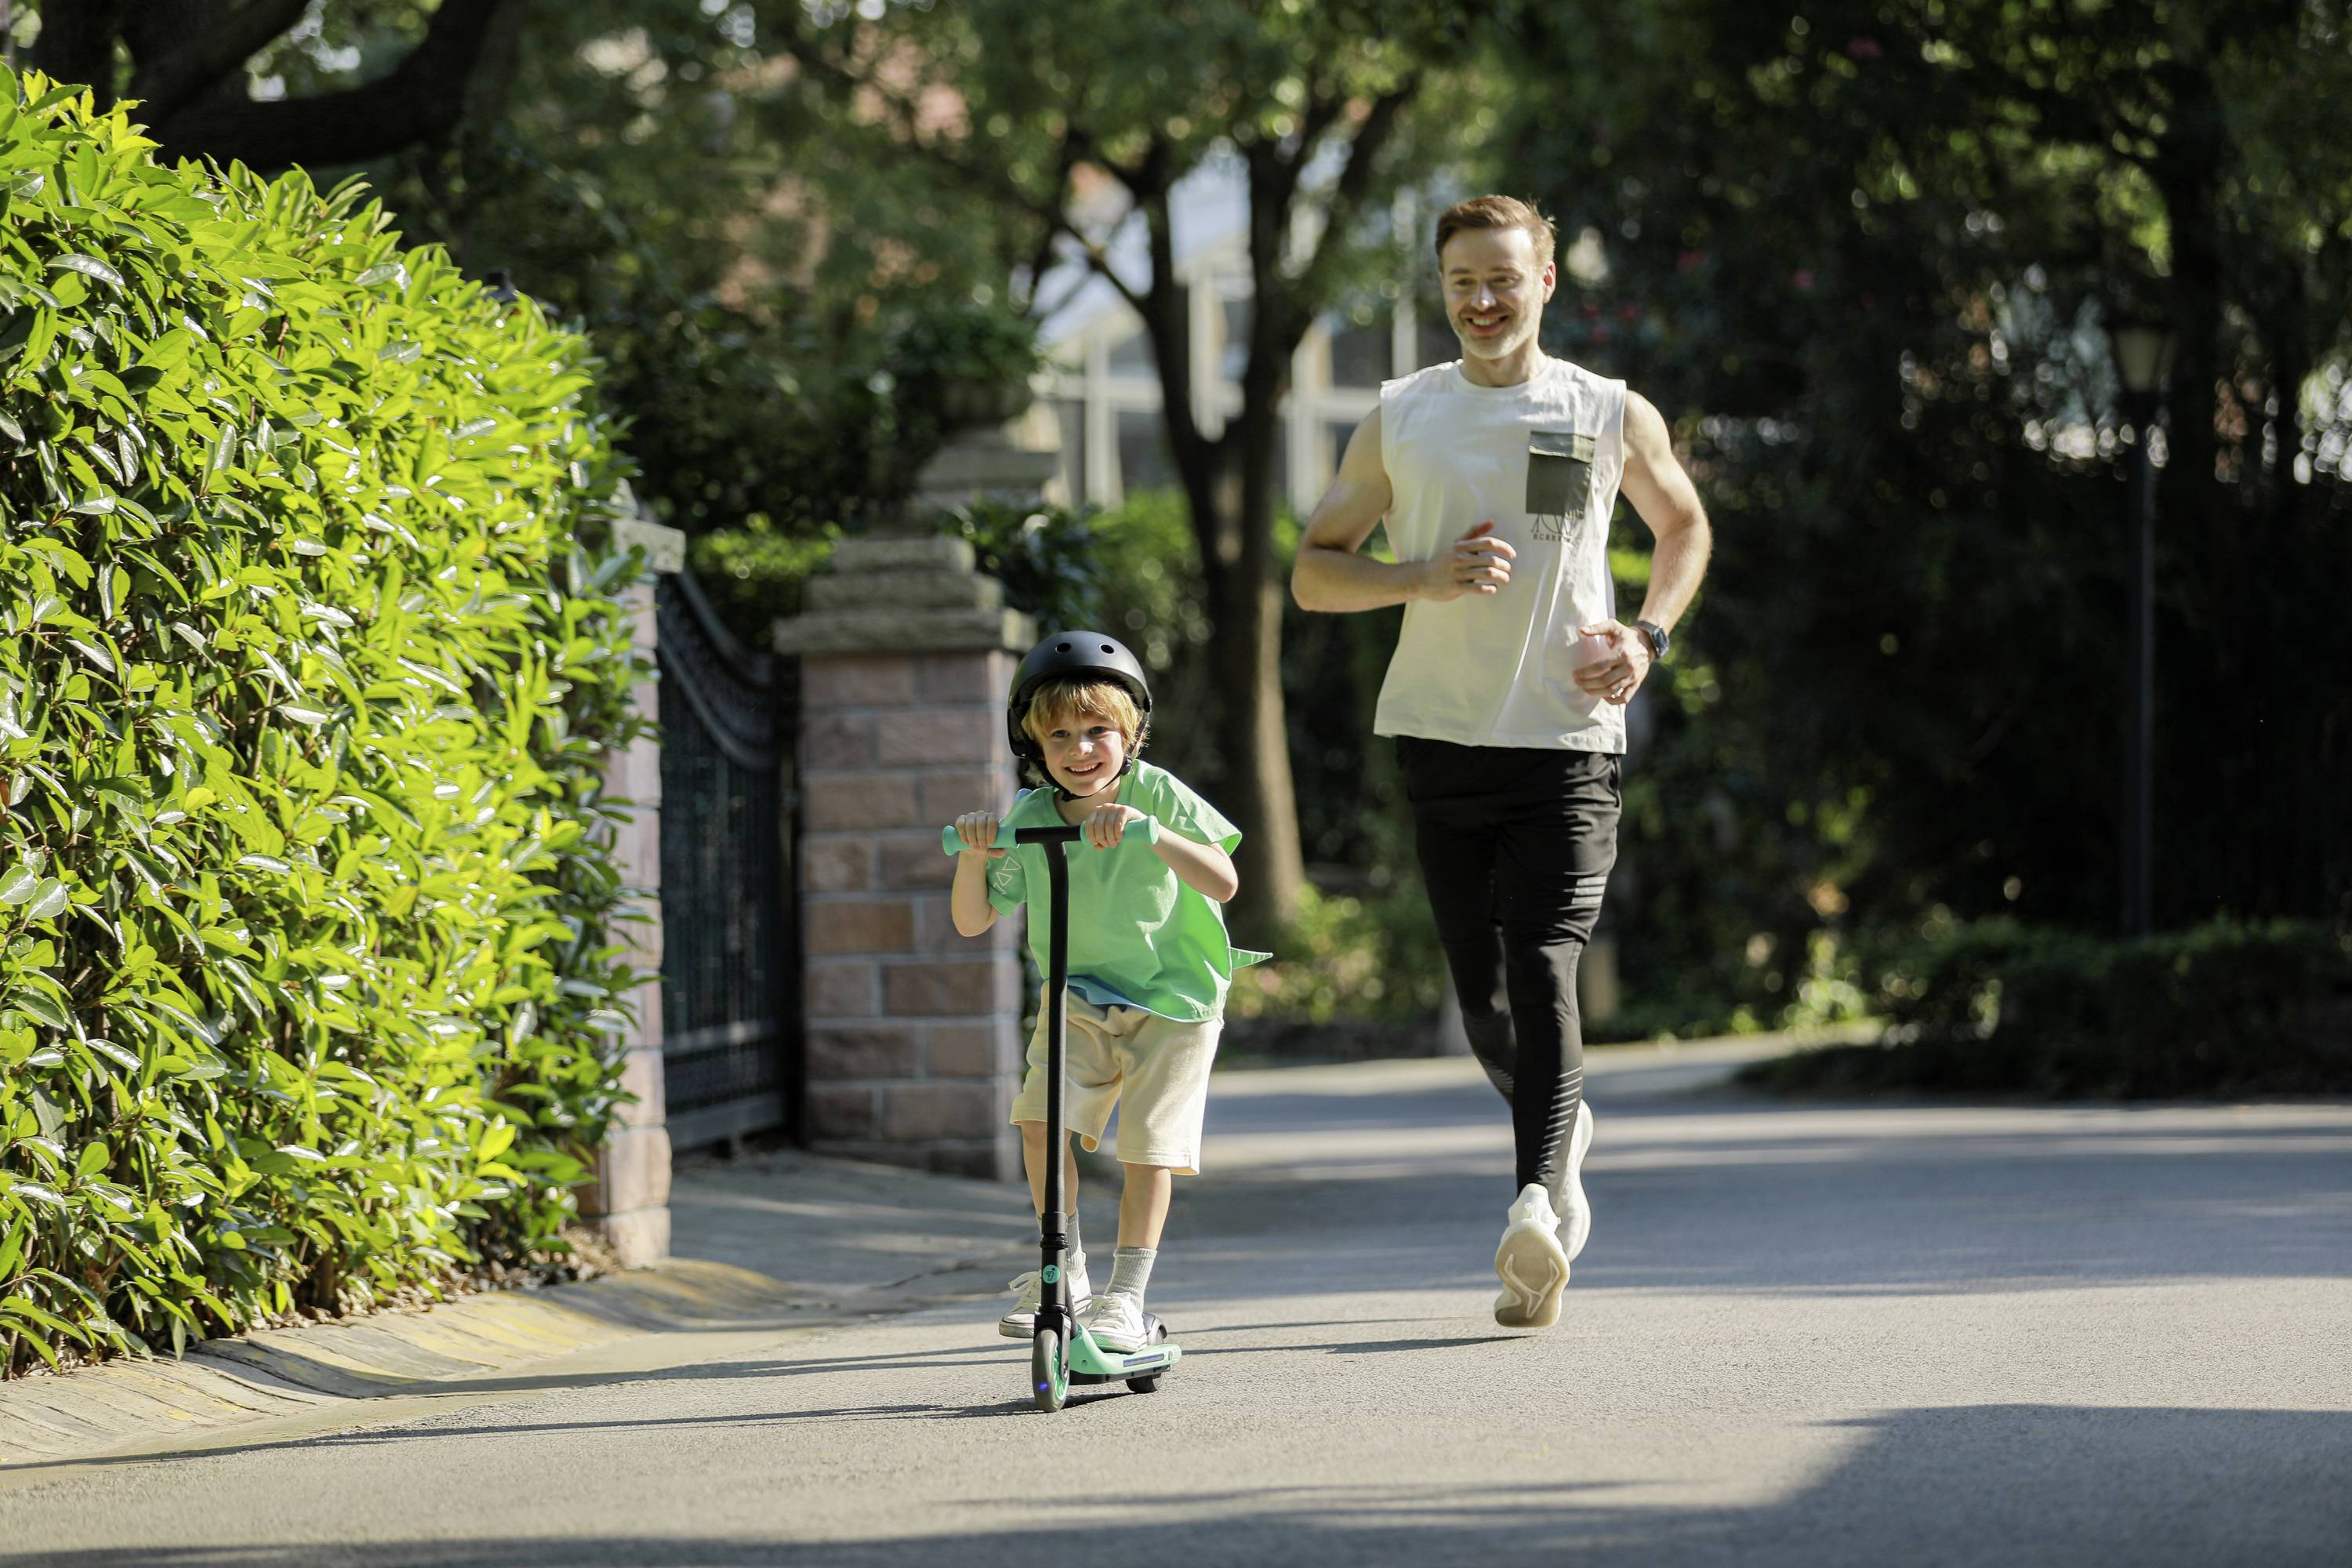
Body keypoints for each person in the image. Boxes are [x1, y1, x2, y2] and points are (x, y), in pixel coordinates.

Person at [1290, 194, 1712, 1330]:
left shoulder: (1608, 409)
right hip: (1439, 733)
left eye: (1502, 280)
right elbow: (1315, 571)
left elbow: (1683, 527)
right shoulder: (1399, 417)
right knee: (1482, 1001)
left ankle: (1535, 1201)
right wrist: (1414, 577)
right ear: (1444, 293)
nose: (1482, 302)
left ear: (1545, 282)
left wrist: (1647, 636)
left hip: (1567, 742)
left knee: (1542, 965)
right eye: (1461, 284)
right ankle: (1562, 1130)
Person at [949, 631, 1264, 1351]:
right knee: (1038, 1122)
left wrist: (1152, 834)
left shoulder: (1155, 793)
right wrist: (973, 857)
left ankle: (1127, 1297)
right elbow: (973, 921)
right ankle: (1067, 1272)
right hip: (1078, 995)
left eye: (1098, 731)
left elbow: (1224, 880)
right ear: (1033, 743)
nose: (1080, 748)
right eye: (1060, 734)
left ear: (1132, 735)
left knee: (1147, 1147)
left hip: (1176, 998)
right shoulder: (1028, 817)